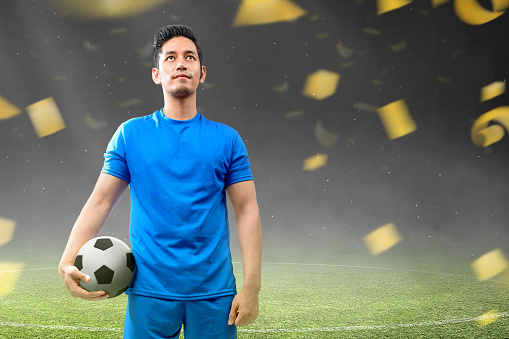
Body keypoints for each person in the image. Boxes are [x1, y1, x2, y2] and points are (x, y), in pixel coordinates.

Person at [58, 24, 262, 339]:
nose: (181, 63)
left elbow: (247, 210)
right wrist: (67, 260)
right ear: (156, 74)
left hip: (215, 292)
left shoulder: (228, 140)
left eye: (189, 57)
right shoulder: (130, 134)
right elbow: (100, 201)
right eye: (170, 58)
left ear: (202, 72)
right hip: (148, 292)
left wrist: (252, 287)